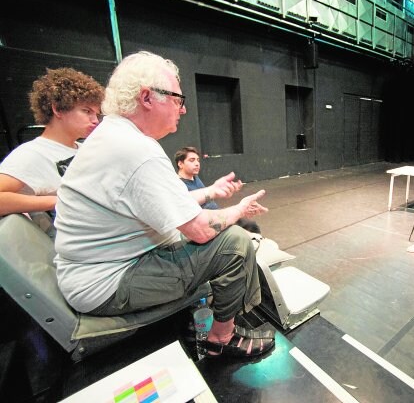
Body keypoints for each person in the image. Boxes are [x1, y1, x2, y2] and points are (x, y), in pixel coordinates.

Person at [54, 51, 274, 358]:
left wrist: (210, 192)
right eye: (176, 100)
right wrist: (238, 210)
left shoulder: (113, 136)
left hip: (92, 273)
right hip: (108, 283)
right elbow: (199, 229)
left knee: (207, 236)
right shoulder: (137, 150)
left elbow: (171, 203)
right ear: (147, 97)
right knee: (235, 243)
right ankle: (221, 339)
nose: (182, 110)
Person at [0, 68, 104, 221]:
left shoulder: (84, 149)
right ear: (58, 109)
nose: (95, 120)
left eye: (96, 114)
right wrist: (60, 201)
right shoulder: (32, 153)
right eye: (86, 111)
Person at [175, 146, 261, 232]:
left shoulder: (195, 177)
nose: (197, 163)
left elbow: (208, 198)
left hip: (218, 214)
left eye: (198, 160)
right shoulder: (179, 186)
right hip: (209, 224)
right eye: (192, 160)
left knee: (251, 225)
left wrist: (226, 189)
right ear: (180, 164)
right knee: (247, 229)